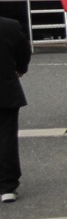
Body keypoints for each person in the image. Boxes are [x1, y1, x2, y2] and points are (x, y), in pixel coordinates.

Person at [0, 16, 31, 203]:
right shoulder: (9, 26)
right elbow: (24, 49)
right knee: (6, 138)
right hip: (6, 90)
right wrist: (20, 68)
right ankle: (7, 185)